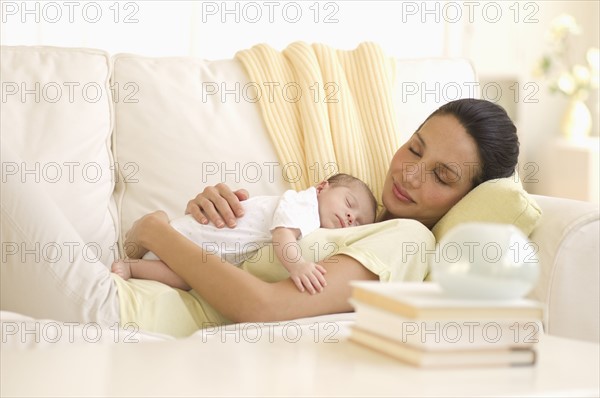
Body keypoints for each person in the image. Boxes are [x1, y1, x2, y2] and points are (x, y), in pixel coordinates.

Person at [120, 98, 519, 331]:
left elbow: (263, 308)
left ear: (468, 198)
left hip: (138, 317)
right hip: (129, 289)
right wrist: (207, 221)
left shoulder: (409, 239)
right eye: (414, 149)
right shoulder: (346, 206)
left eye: (442, 175)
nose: (409, 174)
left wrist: (156, 232)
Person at [111, 173, 378, 294]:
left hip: (205, 248)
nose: (350, 217)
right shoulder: (303, 204)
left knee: (188, 278)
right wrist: (298, 266)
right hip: (196, 236)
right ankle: (132, 266)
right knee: (184, 272)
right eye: (349, 203)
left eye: (358, 222)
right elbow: (282, 234)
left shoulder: (314, 223)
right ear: (321, 187)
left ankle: (136, 266)